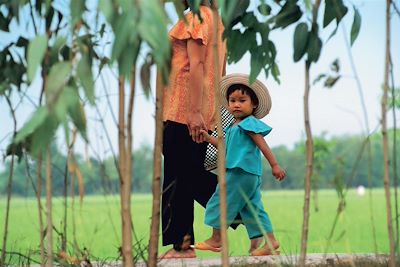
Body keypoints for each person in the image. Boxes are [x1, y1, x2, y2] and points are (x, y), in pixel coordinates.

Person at [161, 0, 232, 259]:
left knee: (178, 179)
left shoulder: (198, 19)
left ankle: (182, 246)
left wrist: (193, 112)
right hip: (197, 111)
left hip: (185, 111)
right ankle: (249, 214)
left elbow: (198, 66)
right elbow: (220, 70)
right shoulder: (217, 19)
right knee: (191, 176)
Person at [193, 73, 286, 256]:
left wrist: (274, 165)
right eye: (232, 100)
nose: (236, 104)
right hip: (248, 175)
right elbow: (223, 145)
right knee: (252, 209)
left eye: (242, 100)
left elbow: (263, 145)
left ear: (254, 104)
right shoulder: (232, 127)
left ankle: (217, 239)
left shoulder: (250, 123)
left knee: (220, 201)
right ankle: (270, 241)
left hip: (239, 172)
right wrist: (207, 138)